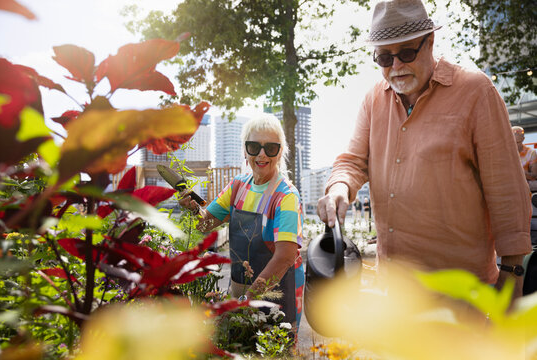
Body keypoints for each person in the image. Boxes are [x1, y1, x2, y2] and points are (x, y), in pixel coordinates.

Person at [317, 0, 531, 302]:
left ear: (430, 41)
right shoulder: (372, 100)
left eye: (406, 53)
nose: (396, 67)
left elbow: (507, 191)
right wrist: (339, 188)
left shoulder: (477, 92)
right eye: (383, 58)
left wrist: (513, 277)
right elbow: (352, 162)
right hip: (393, 297)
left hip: (462, 299)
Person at [179, 114, 305, 332]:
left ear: (280, 151)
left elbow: (284, 257)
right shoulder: (237, 186)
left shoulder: (286, 197)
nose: (262, 154)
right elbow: (204, 225)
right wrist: (192, 208)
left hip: (278, 293)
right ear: (245, 150)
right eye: (254, 146)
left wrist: (249, 298)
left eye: (271, 148)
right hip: (240, 290)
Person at [512, 126, 537, 192]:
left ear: (523, 139)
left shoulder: (531, 153)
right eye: (512, 142)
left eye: (518, 142)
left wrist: (518, 172)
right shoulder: (504, 153)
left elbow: (534, 176)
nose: (515, 145)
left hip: (524, 183)